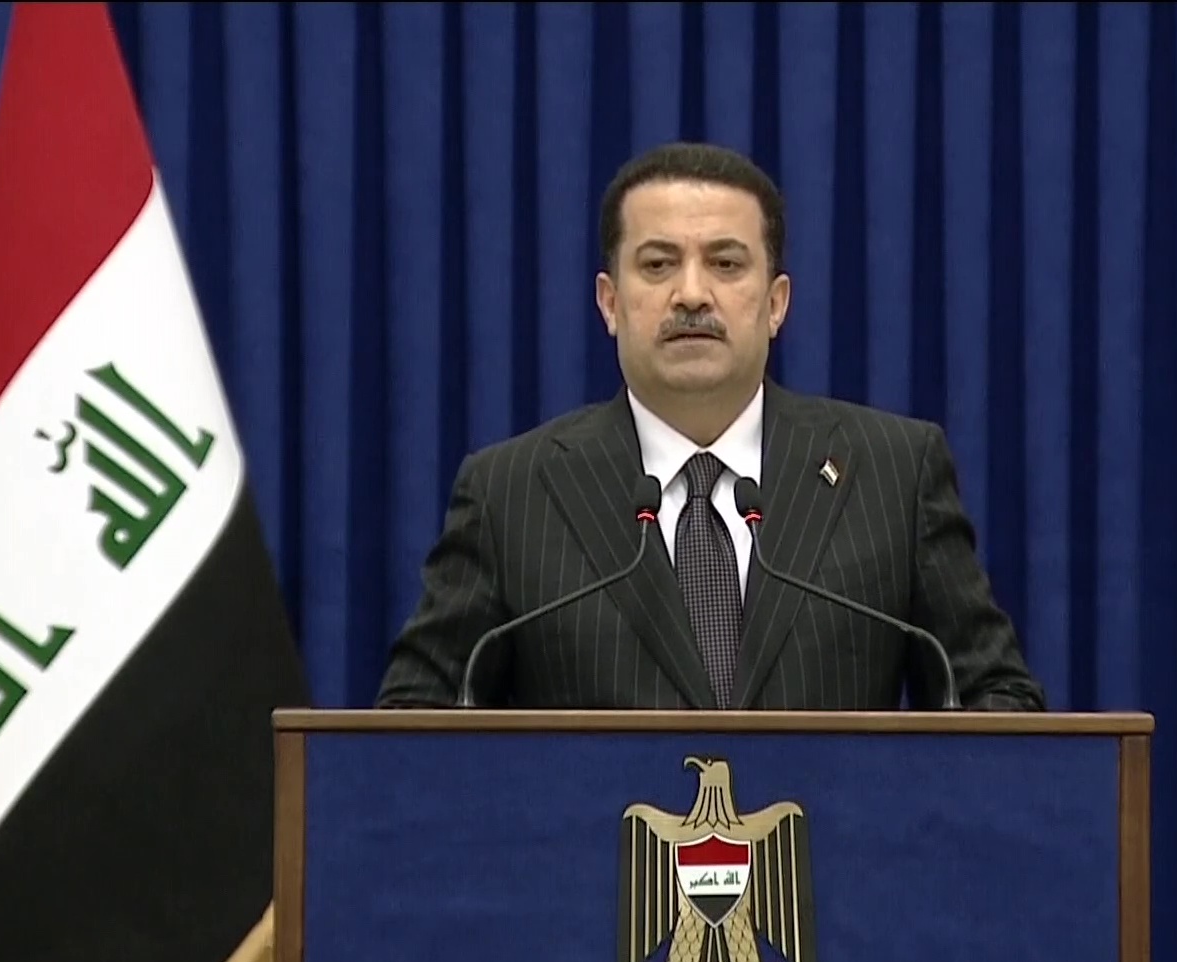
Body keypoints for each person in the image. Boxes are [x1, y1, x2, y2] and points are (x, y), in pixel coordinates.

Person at [375, 142, 1044, 713]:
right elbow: (412, 722)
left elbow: (998, 699)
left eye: (726, 264)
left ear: (776, 304)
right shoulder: (508, 493)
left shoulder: (894, 472)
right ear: (610, 303)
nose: (692, 294)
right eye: (658, 264)